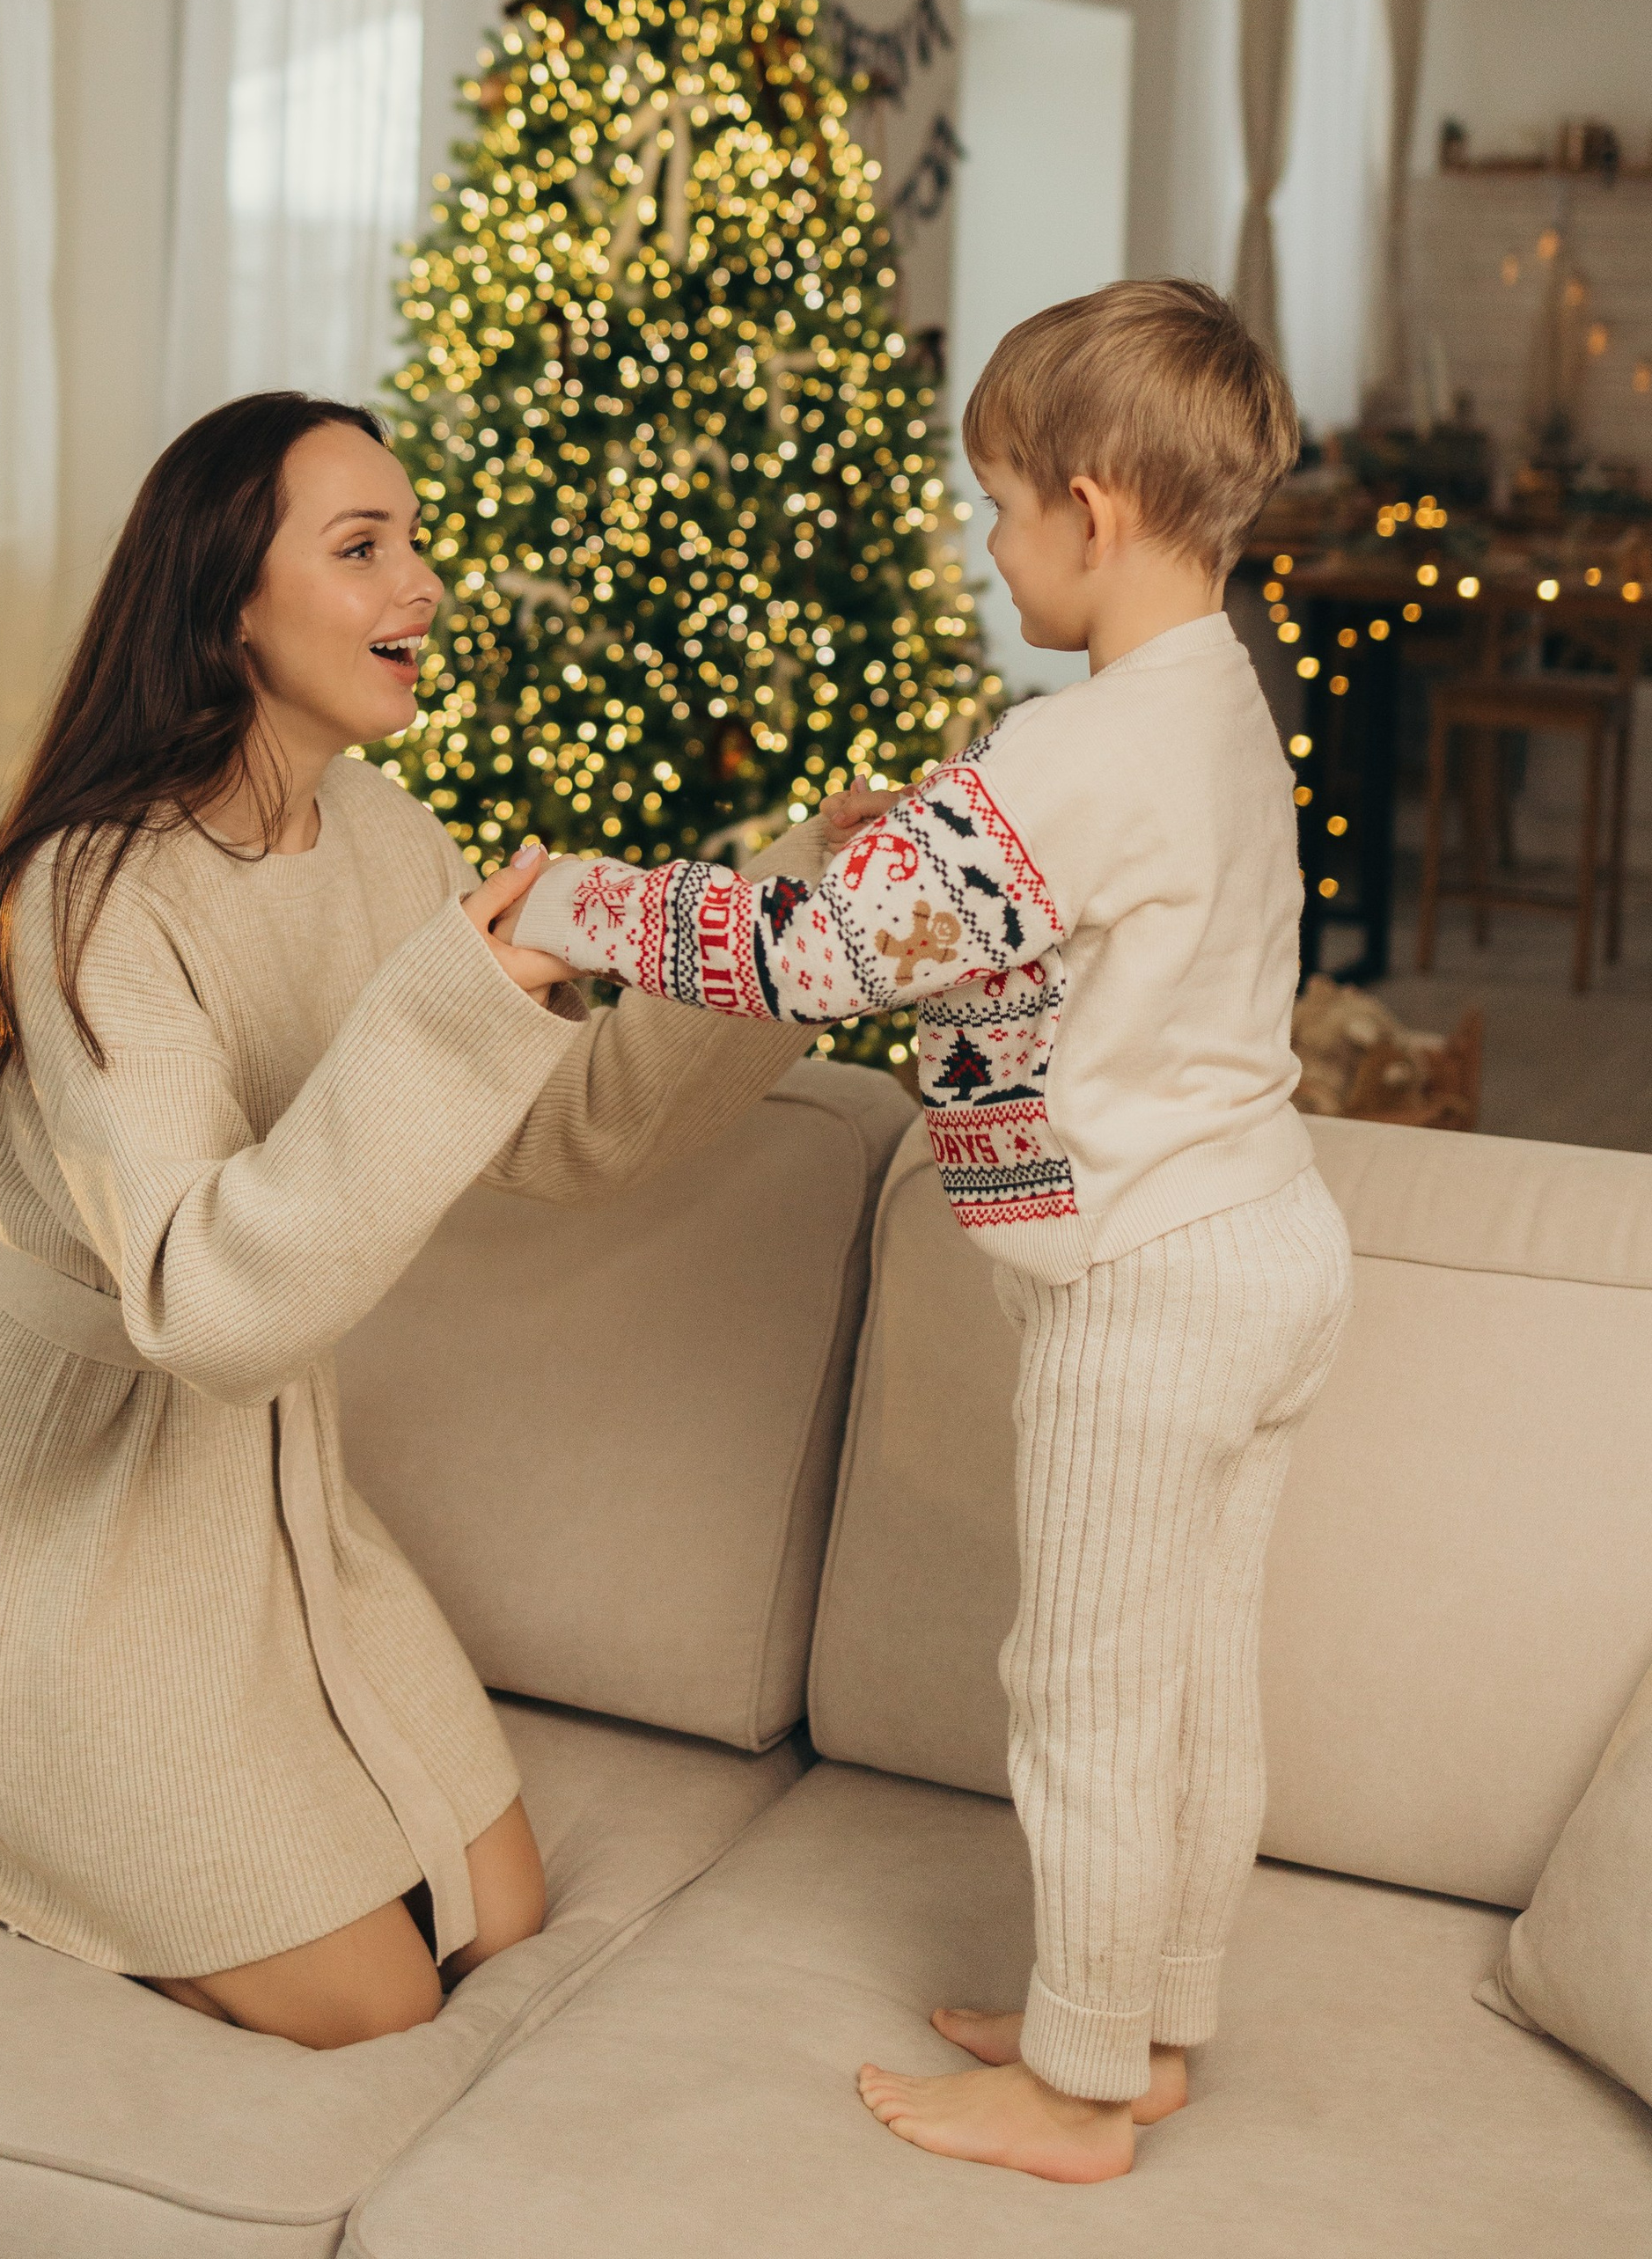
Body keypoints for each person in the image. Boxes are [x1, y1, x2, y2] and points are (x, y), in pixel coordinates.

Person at [0, 392, 848, 2049]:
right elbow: (211, 1310)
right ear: (229, 604)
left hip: (255, 1491)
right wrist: (459, 992)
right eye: (362, 549)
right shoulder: (87, 895)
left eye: (413, 541)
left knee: (501, 1914)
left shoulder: (381, 835)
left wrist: (796, 906)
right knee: (369, 2000)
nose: (421, 584)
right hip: (32, 1513)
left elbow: (564, 1126)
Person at [496, 280, 1354, 2181]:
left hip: (1150, 1281)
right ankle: (1148, 2030)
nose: (989, 546)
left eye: (999, 509)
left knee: (1086, 1692)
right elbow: (1062, 928)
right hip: (1271, 1243)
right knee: (1194, 1673)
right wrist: (923, 844)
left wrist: (568, 906)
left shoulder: (1074, 750)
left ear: (1090, 509)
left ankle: (1074, 2090)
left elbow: (810, 957)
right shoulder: (1219, 700)